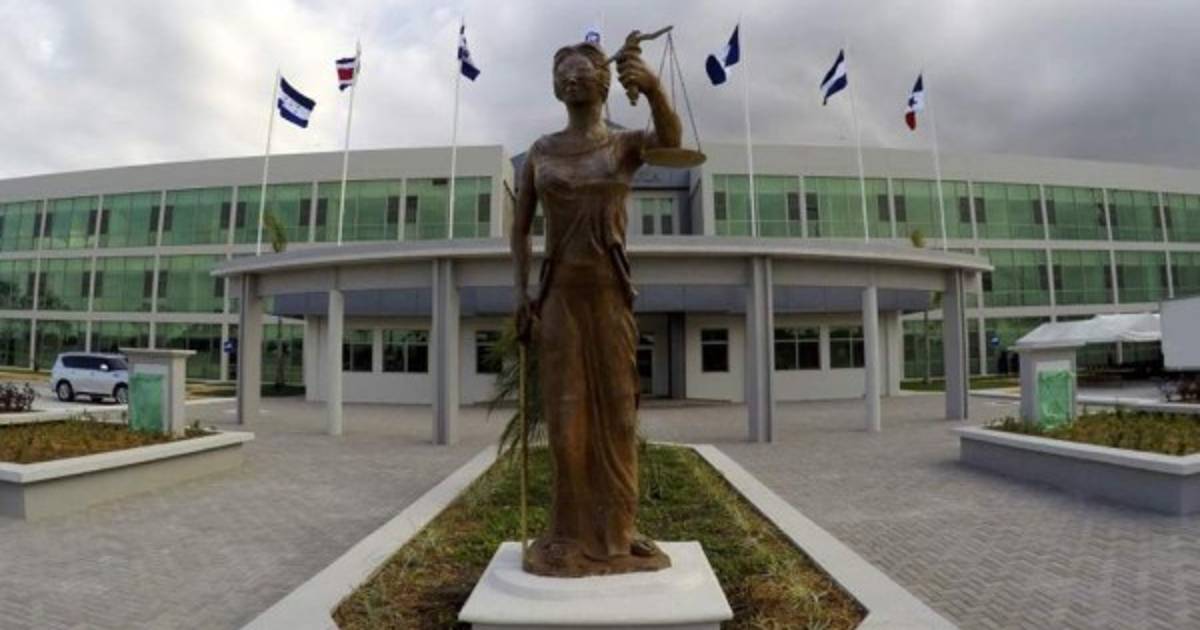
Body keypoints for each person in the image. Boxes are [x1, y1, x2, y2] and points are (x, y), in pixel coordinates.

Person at [509, 36, 681, 577]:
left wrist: (653, 89)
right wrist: (521, 295)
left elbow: (671, 142)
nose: (570, 79)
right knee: (566, 419)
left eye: (581, 71)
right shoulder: (540, 151)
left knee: (619, 413)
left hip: (609, 293)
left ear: (604, 81)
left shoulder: (623, 145)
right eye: (562, 74)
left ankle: (619, 534)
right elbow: (519, 230)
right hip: (559, 295)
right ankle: (566, 534)